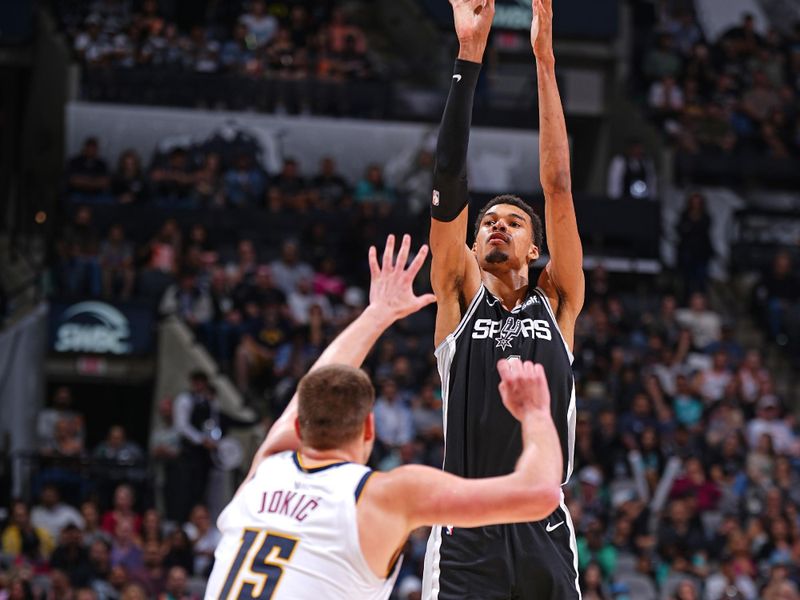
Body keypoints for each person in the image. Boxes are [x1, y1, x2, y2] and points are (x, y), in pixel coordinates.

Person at [205, 235, 564, 599]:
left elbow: (313, 387)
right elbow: (540, 494)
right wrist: (535, 412)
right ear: (369, 428)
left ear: (299, 426)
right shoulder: (382, 497)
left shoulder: (265, 471)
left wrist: (377, 313)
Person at [421, 1, 584, 597]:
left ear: (535, 248)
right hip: (467, 522)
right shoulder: (456, 292)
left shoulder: (559, 299)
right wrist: (469, 56)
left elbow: (558, 186)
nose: (496, 226)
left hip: (543, 524)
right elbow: (447, 179)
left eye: (514, 223)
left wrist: (544, 61)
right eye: (488, 220)